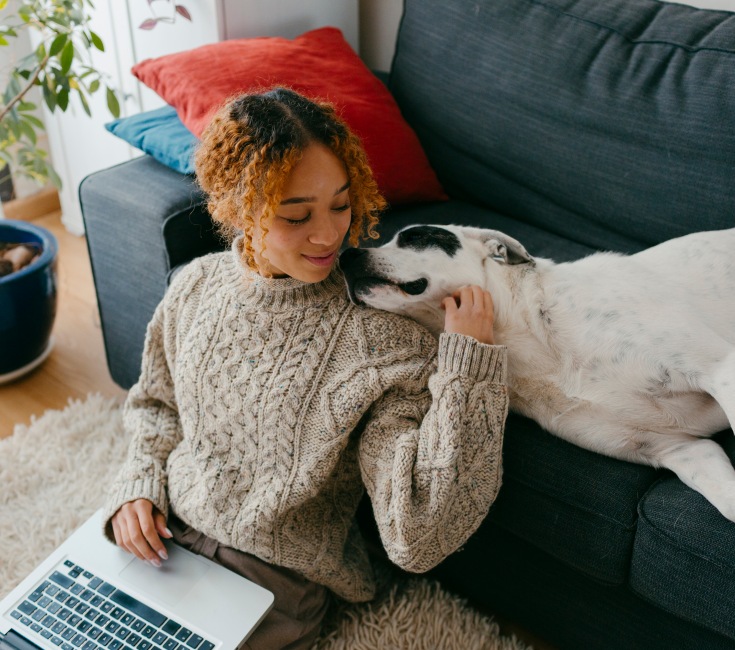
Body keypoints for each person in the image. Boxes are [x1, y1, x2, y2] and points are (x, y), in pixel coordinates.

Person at [104, 87, 509, 650]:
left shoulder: (381, 339)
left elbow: (418, 535)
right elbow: (156, 403)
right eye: (296, 215)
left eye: (341, 205)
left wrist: (470, 369)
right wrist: (137, 487)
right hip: (163, 534)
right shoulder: (195, 285)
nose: (328, 235)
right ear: (238, 208)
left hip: (268, 581)